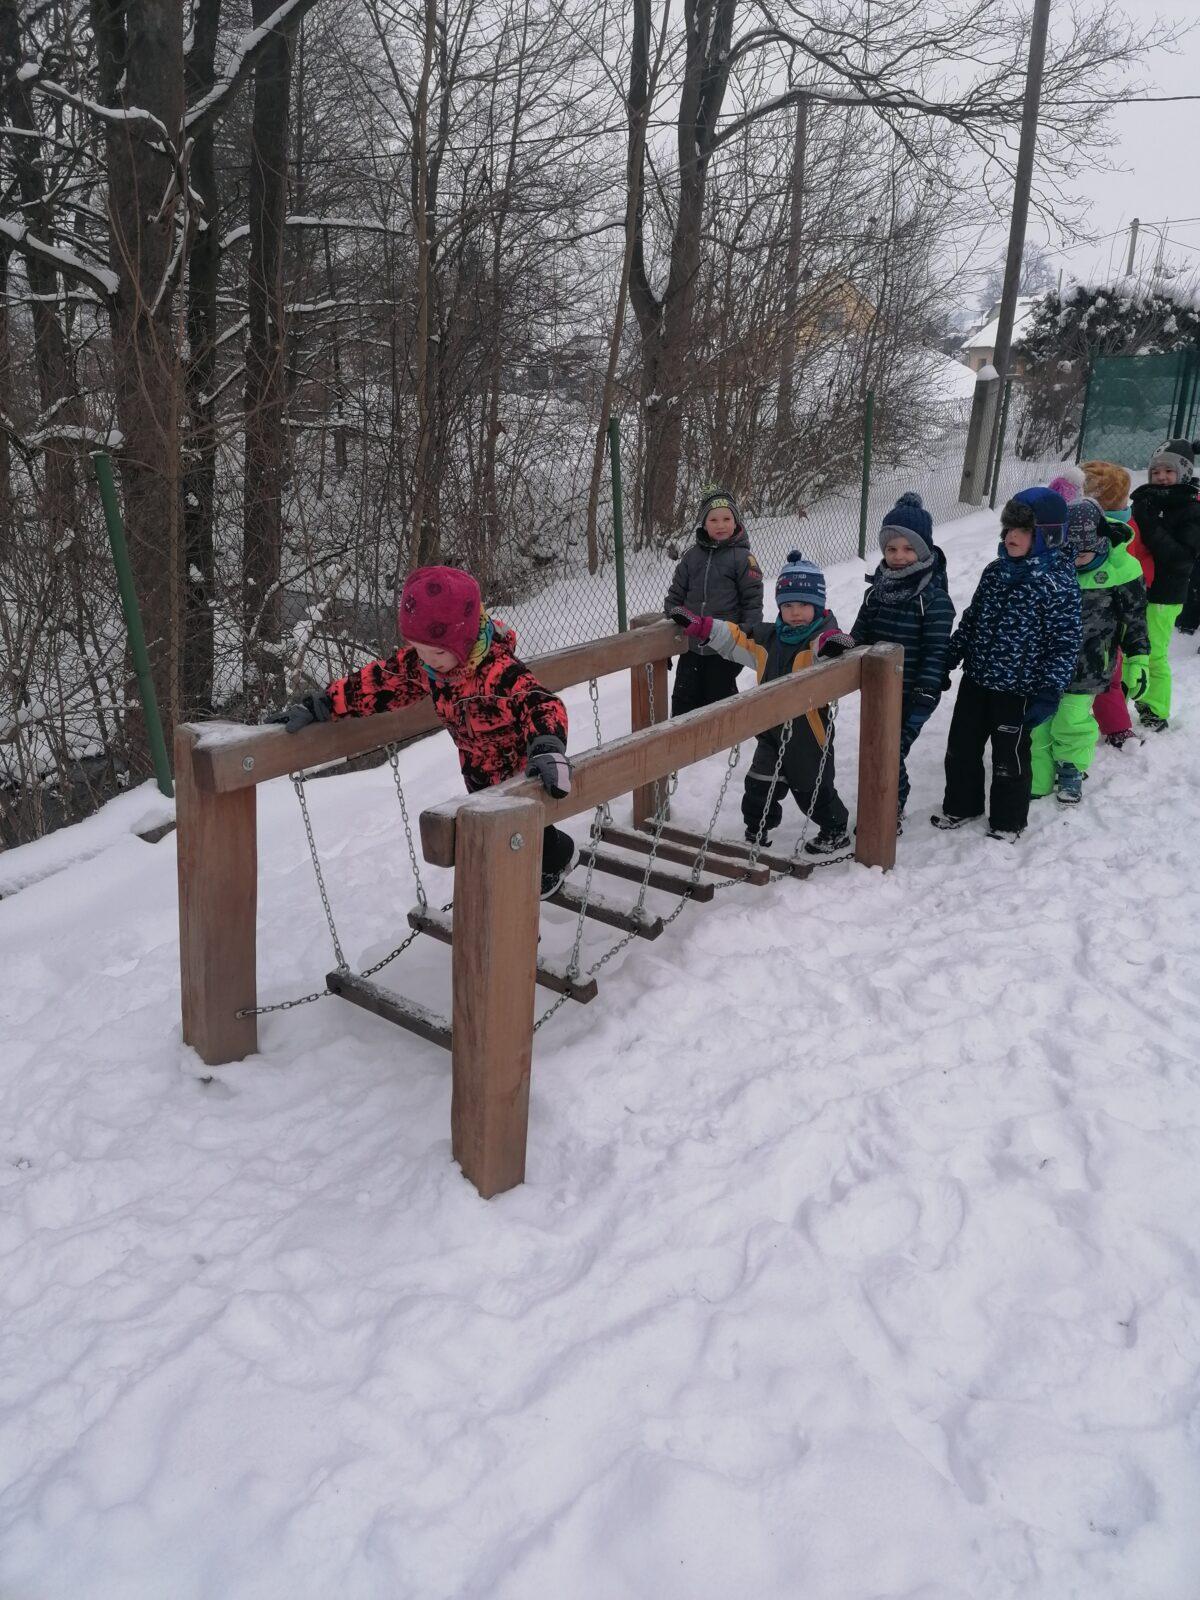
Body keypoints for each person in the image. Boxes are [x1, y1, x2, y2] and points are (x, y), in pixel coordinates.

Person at [269, 565, 578, 898]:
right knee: (506, 846)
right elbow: (379, 684)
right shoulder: (428, 665)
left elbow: (542, 704)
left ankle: (553, 864)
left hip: (524, 775)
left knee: (530, 842)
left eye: (437, 652)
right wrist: (322, 704)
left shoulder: (497, 673)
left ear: (463, 639)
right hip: (478, 775)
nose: (428, 660)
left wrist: (546, 747)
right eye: (418, 649)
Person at [670, 551, 852, 855]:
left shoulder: (820, 638)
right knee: (758, 784)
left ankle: (834, 828)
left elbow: (827, 645)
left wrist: (834, 645)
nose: (795, 613)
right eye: (788, 605)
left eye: (804, 605)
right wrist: (702, 627)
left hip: (809, 735)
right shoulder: (768, 637)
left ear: (818, 607)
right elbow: (736, 638)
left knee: (812, 791)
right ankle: (756, 829)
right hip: (770, 730)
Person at [932, 488, 1082, 843]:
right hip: (978, 679)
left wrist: (1049, 691)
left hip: (1019, 690)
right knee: (962, 748)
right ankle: (962, 805)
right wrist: (948, 659)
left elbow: (1065, 642)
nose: (1011, 536)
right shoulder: (996, 572)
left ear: (1046, 535)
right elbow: (972, 621)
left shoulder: (1058, 583)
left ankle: (1007, 821)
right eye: (1008, 528)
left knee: (1009, 759)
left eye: (1023, 530)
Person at [1030, 496, 1149, 804]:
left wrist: (1138, 662)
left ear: (1099, 541)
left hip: (1091, 663)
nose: (1076, 558)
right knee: (1039, 719)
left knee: (1072, 719)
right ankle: (1037, 775)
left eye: (1083, 551)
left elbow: (1134, 621)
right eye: (1070, 550)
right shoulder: (1052, 566)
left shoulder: (1120, 570)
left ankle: (1071, 768)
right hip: (1047, 661)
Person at [850, 492, 955, 825]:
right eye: (892, 549)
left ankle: (890, 807)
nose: (899, 556)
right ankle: (884, 801)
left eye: (909, 549)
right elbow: (860, 634)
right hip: (880, 688)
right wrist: (843, 645)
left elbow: (937, 650)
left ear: (923, 551)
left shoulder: (933, 598)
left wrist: (926, 688)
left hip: (916, 693)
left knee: (890, 749)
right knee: (878, 746)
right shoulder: (877, 593)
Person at [663, 485, 763, 716]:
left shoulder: (743, 558)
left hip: (725, 645)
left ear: (735, 521)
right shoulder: (691, 558)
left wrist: (746, 635)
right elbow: (674, 598)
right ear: (704, 524)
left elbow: (753, 602)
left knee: (717, 697)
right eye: (714, 519)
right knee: (683, 697)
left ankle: (723, 745)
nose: (720, 525)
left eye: (727, 518)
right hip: (691, 645)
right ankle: (681, 744)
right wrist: (668, 639)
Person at [1082, 459, 1155, 748]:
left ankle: (1114, 726)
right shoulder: (1126, 530)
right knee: (1109, 675)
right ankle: (1116, 727)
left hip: (1097, 620)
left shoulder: (1113, 534)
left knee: (1107, 675)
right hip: (1105, 626)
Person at [1129, 440, 1200, 730]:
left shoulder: (1191, 508)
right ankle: (1119, 702)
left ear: (1183, 472)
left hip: (1165, 594)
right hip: (1134, 587)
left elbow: (1182, 557)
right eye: (1156, 471)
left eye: (1168, 471)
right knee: (1130, 648)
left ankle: (1154, 709)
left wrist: (1150, 523)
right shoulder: (1147, 500)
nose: (1161, 476)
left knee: (1154, 653)